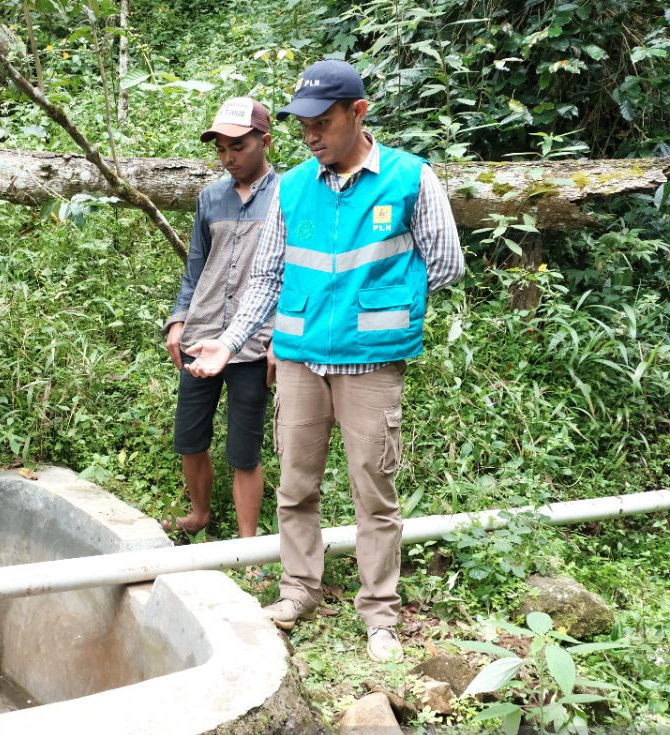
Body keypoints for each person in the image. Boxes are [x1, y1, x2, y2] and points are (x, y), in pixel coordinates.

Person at [184, 61, 465, 661]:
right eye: (302, 125)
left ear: (357, 113)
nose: (310, 135)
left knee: (374, 493)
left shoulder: (410, 178)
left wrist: (380, 304)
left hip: (372, 363)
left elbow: (444, 265)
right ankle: (298, 590)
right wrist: (230, 342)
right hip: (300, 359)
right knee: (295, 486)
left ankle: (379, 613)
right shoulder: (293, 188)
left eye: (322, 122)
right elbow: (266, 277)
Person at [162, 96, 277, 540]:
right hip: (202, 335)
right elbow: (196, 266)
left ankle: (247, 543)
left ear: (263, 141)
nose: (228, 157)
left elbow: (295, 274)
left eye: (238, 147)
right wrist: (178, 320)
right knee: (189, 437)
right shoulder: (210, 197)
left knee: (244, 449)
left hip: (254, 342)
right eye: (221, 149)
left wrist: (280, 336)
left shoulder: (288, 197)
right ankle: (200, 514)